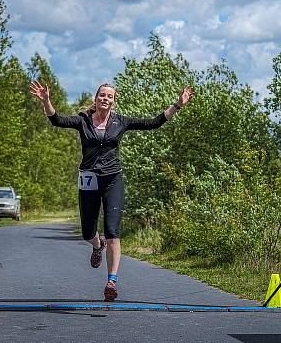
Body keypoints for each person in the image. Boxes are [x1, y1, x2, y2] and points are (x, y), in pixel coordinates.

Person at [29, 81, 193, 301]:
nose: (105, 99)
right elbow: (56, 120)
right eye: (102, 95)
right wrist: (46, 100)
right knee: (88, 231)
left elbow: (153, 123)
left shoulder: (120, 122)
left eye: (110, 96)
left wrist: (178, 105)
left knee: (112, 230)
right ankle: (97, 245)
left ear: (113, 101)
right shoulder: (83, 120)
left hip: (112, 179)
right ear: (96, 99)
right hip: (88, 179)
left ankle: (111, 281)